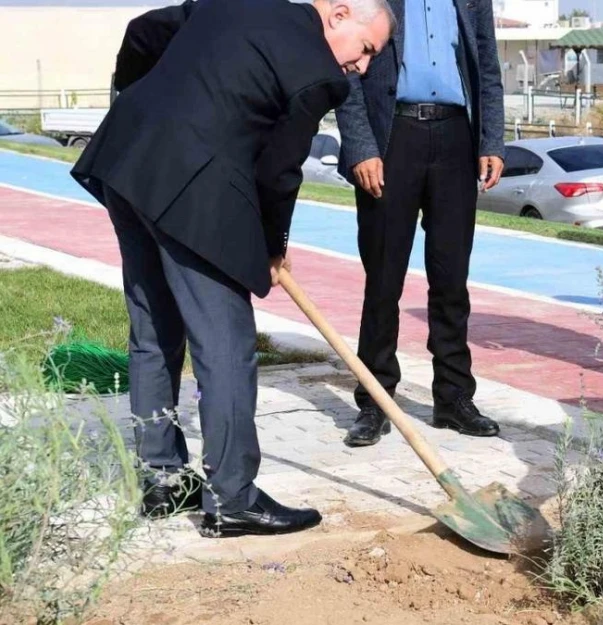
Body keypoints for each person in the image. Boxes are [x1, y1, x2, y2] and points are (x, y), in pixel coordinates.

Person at [70, 0, 394, 537]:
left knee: (154, 330)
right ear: (339, 15)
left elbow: (143, 31)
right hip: (193, 187)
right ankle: (234, 498)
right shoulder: (318, 74)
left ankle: (163, 479)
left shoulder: (237, 3)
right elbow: (278, 172)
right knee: (225, 343)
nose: (361, 67)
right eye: (366, 50)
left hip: (127, 158)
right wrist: (270, 248)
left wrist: (142, 100)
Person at [334, 0, 505, 447]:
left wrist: (492, 139)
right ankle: (375, 400)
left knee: (452, 280)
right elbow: (348, 69)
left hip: (456, 138)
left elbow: (486, 62)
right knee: (383, 279)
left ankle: (453, 398)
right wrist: (360, 146)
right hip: (391, 139)